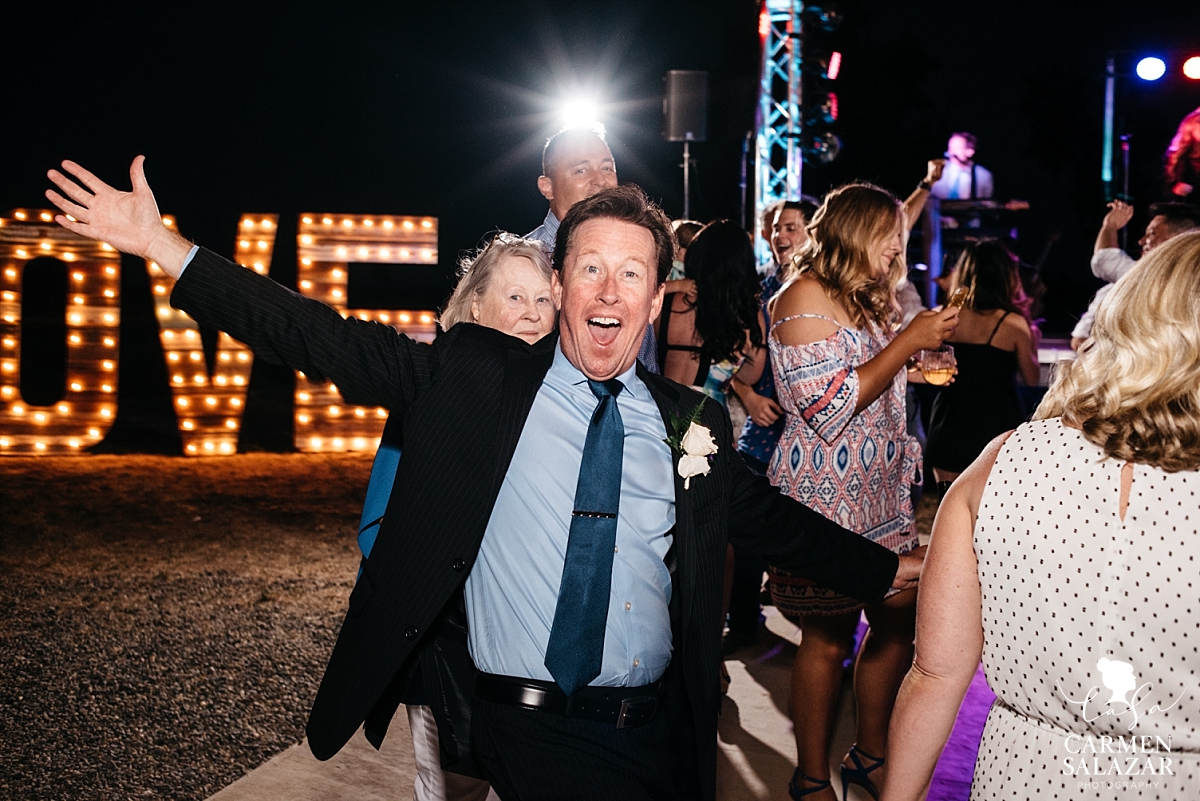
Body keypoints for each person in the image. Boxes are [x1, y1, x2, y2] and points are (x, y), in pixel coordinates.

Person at [46, 159, 924, 801]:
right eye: (589, 267)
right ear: (558, 279)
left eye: (632, 273)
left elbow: (768, 519)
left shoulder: (689, 419)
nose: (608, 290)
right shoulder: (477, 377)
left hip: (663, 735)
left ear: (658, 299)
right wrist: (163, 247)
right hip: (522, 731)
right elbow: (318, 337)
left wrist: (884, 571)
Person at [882, 231, 1200, 801]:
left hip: (1022, 778)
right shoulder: (1011, 328)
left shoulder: (1002, 462)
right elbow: (1029, 375)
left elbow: (934, 675)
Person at [765, 183, 959, 801]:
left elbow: (878, 383)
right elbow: (828, 407)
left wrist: (913, 353)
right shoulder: (801, 298)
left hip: (879, 497)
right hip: (822, 501)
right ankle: (810, 775)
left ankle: (870, 754)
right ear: (854, 231)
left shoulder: (871, 301)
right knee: (827, 636)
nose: (899, 248)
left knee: (898, 619)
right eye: (890, 234)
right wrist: (908, 342)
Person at [357, 235, 554, 801]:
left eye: (543, 302)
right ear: (473, 307)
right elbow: (379, 526)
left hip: (532, 635)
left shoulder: (560, 395)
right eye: (515, 297)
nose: (531, 314)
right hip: (450, 631)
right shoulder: (430, 386)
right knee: (453, 784)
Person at [723, 199, 815, 655]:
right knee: (747, 534)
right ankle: (743, 621)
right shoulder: (758, 292)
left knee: (811, 538)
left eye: (792, 227)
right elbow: (725, 358)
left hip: (817, 439)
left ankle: (822, 634)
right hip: (765, 434)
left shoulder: (825, 289)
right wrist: (749, 395)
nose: (781, 236)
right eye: (777, 228)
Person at [525, 124, 658, 373]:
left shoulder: (638, 255)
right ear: (547, 186)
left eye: (607, 167)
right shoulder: (522, 261)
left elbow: (646, 368)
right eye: (581, 169)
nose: (600, 181)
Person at [924, 240, 1039, 488]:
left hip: (949, 425)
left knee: (949, 508)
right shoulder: (1014, 324)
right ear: (1007, 276)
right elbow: (1032, 378)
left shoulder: (943, 317)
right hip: (997, 430)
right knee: (992, 516)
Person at [656, 220, 761, 404]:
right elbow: (750, 376)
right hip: (709, 418)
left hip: (661, 409)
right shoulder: (747, 314)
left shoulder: (665, 302)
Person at [1070, 200, 1200, 350]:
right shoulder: (1120, 287)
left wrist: (1110, 227)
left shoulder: (1151, 279)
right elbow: (1079, 341)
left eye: (1152, 233)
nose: (1142, 241)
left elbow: (1105, 260)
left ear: (1181, 239)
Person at [929, 132, 993, 201]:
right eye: (950, 148)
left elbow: (986, 204)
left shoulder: (984, 175)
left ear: (970, 151)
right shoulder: (938, 171)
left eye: (956, 148)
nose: (950, 153)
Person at [1165, 105, 1200, 203]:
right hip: (1186, 207)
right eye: (1199, 122)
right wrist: (1175, 188)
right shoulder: (1178, 154)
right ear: (1190, 125)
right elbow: (1160, 185)